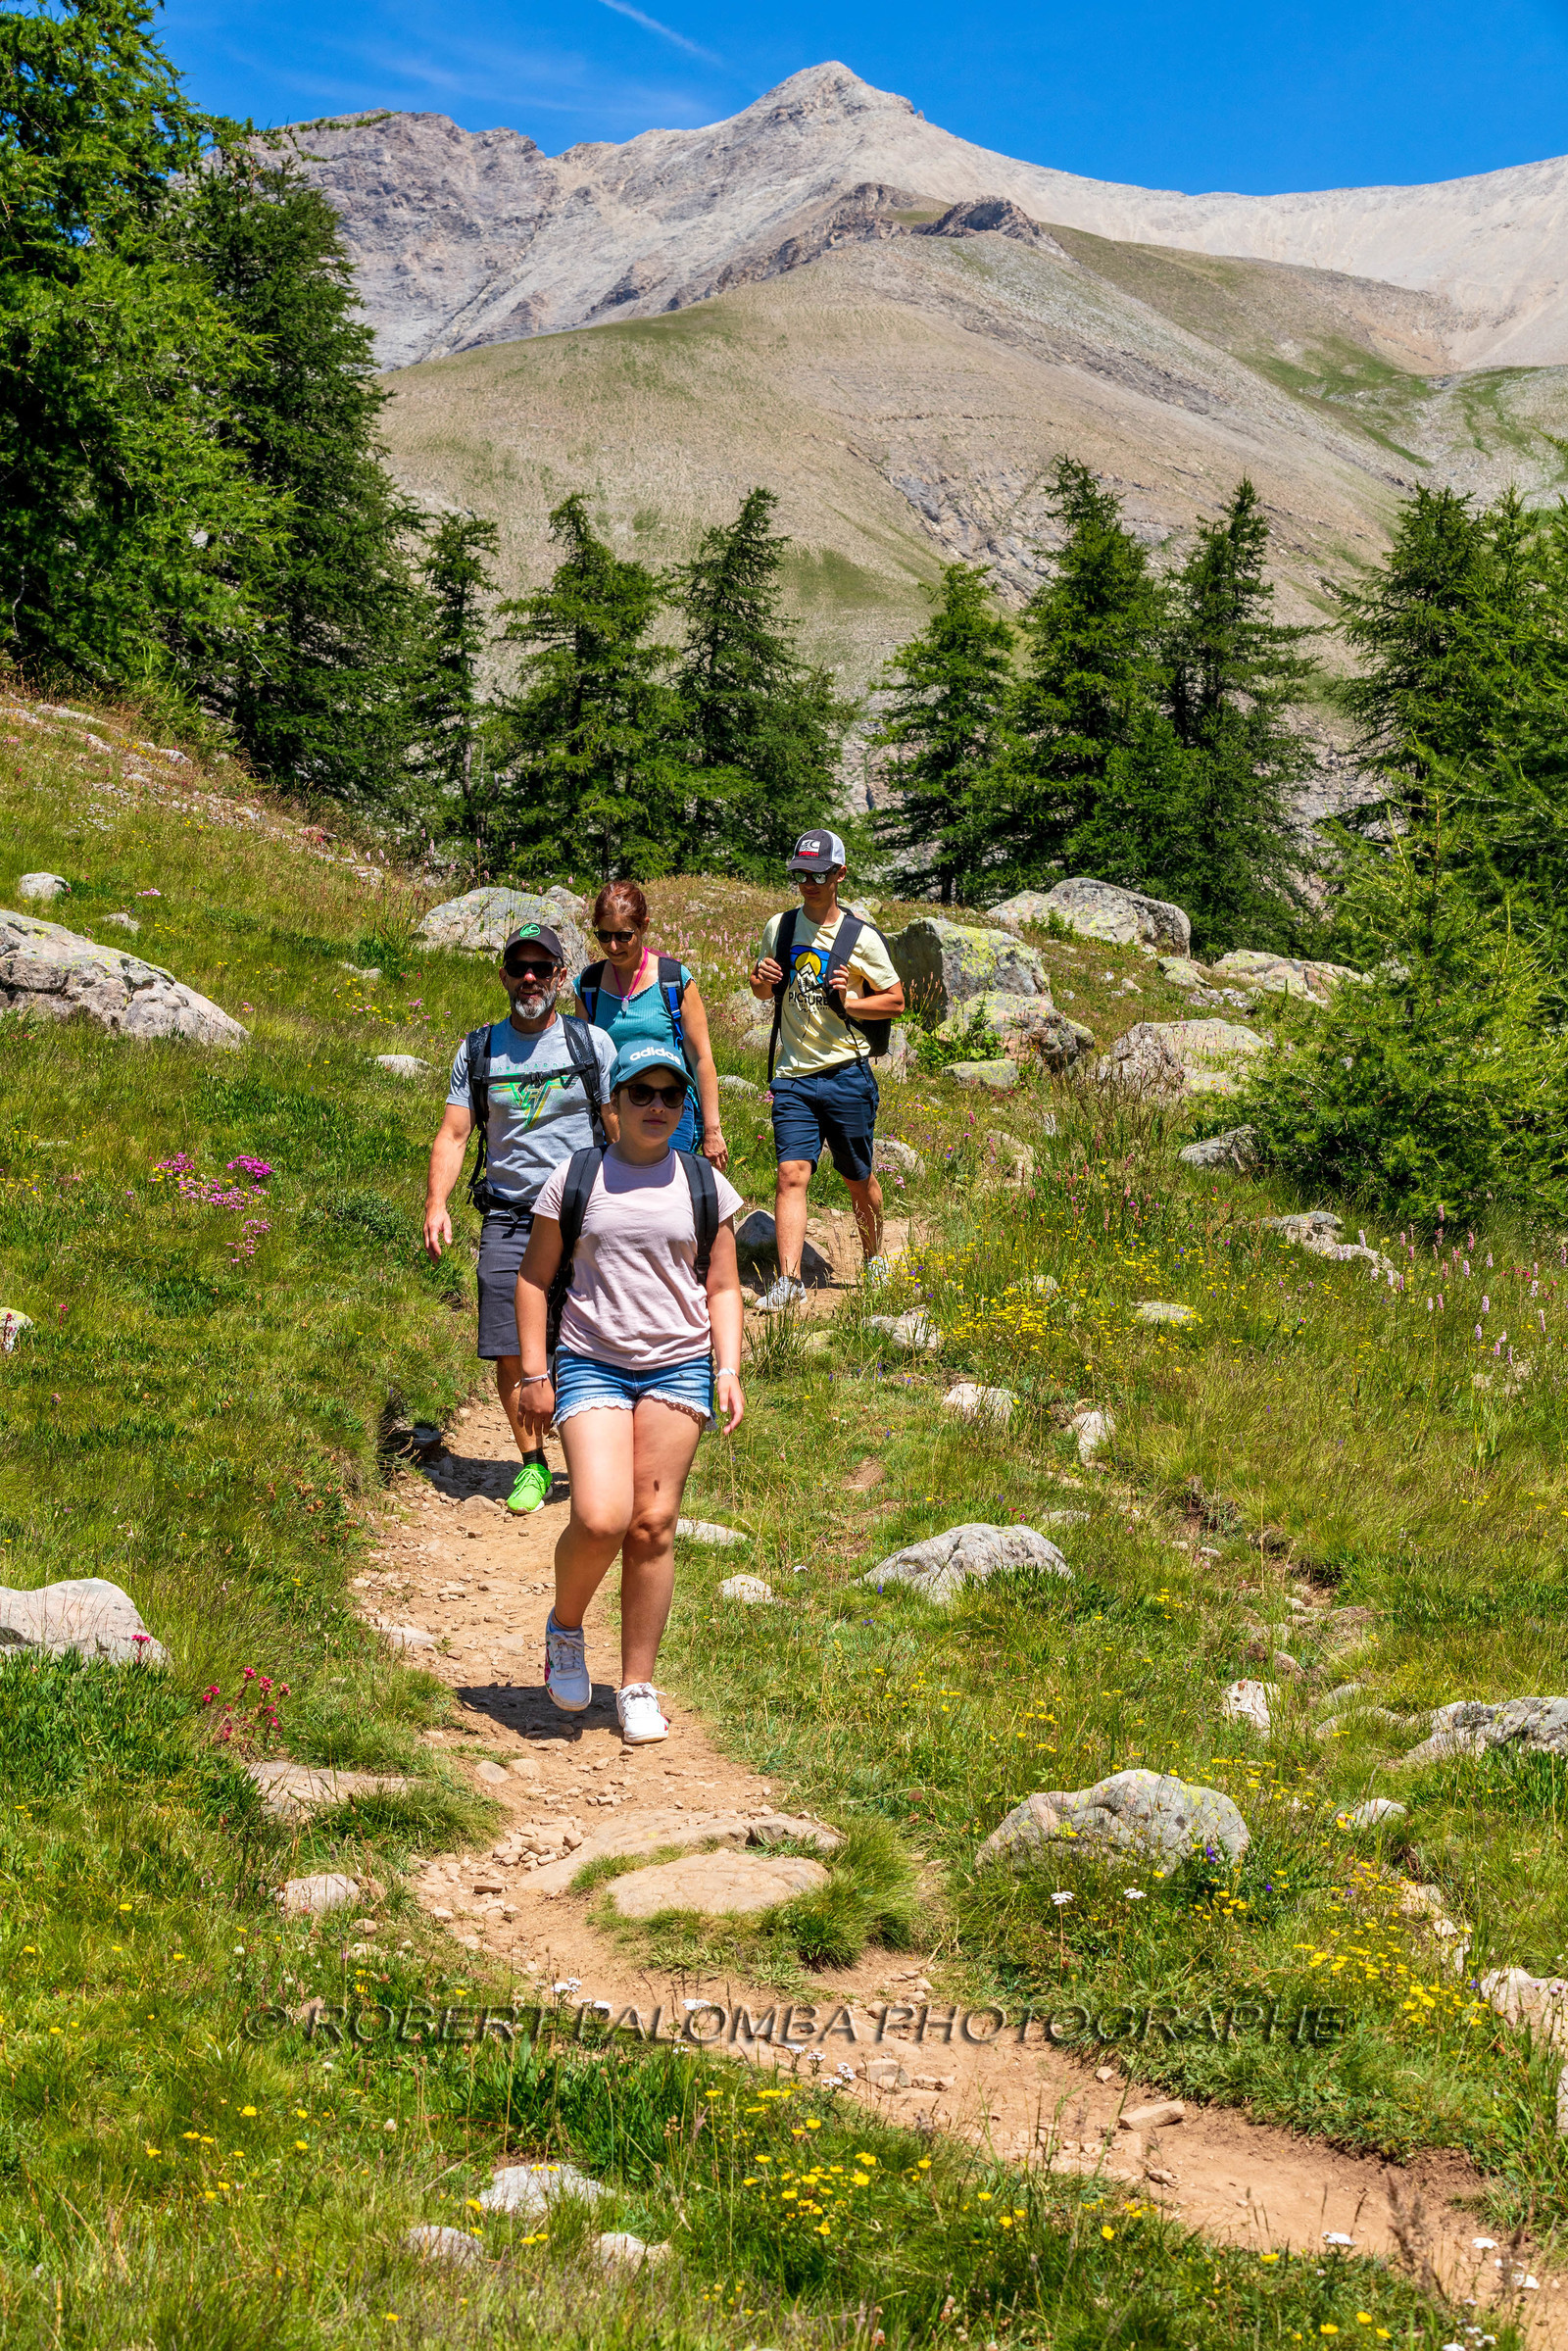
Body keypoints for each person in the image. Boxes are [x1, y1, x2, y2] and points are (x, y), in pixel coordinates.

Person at [514, 1039, 746, 1743]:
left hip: (678, 1364)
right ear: (613, 1103)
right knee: (601, 1516)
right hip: (592, 1361)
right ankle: (565, 1628)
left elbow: (724, 1285)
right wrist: (534, 1374)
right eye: (640, 1093)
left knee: (653, 1525)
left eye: (670, 1095)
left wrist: (728, 1367)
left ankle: (638, 1683)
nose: (655, 1106)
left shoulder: (705, 1184)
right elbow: (533, 1278)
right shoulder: (576, 1176)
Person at [423, 920, 616, 1515]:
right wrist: (436, 1202)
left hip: (584, 1215)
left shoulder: (592, 1046)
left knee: (591, 1339)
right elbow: (455, 1133)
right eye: (519, 967)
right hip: (509, 1216)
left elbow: (619, 1126)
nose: (530, 978)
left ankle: (593, 1460)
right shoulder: (478, 1049)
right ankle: (532, 1465)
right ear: (504, 976)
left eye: (542, 967)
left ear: (561, 975)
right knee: (510, 1345)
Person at [748, 828, 906, 1312]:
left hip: (846, 1073)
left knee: (858, 1178)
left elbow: (896, 1000)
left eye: (818, 875)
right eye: (800, 874)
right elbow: (763, 990)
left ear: (839, 874)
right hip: (793, 1075)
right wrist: (759, 980)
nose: (808, 884)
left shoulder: (862, 937)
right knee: (790, 1174)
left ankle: (874, 1259)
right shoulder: (780, 927)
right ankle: (789, 1279)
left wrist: (852, 1002)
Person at [571, 880, 729, 1170]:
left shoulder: (674, 980)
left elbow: (701, 1057)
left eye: (624, 936)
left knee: (664, 1187)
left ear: (643, 926)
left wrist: (712, 1130)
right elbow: (585, 1065)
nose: (613, 946)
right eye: (604, 936)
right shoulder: (588, 985)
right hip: (612, 1110)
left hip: (668, 1105)